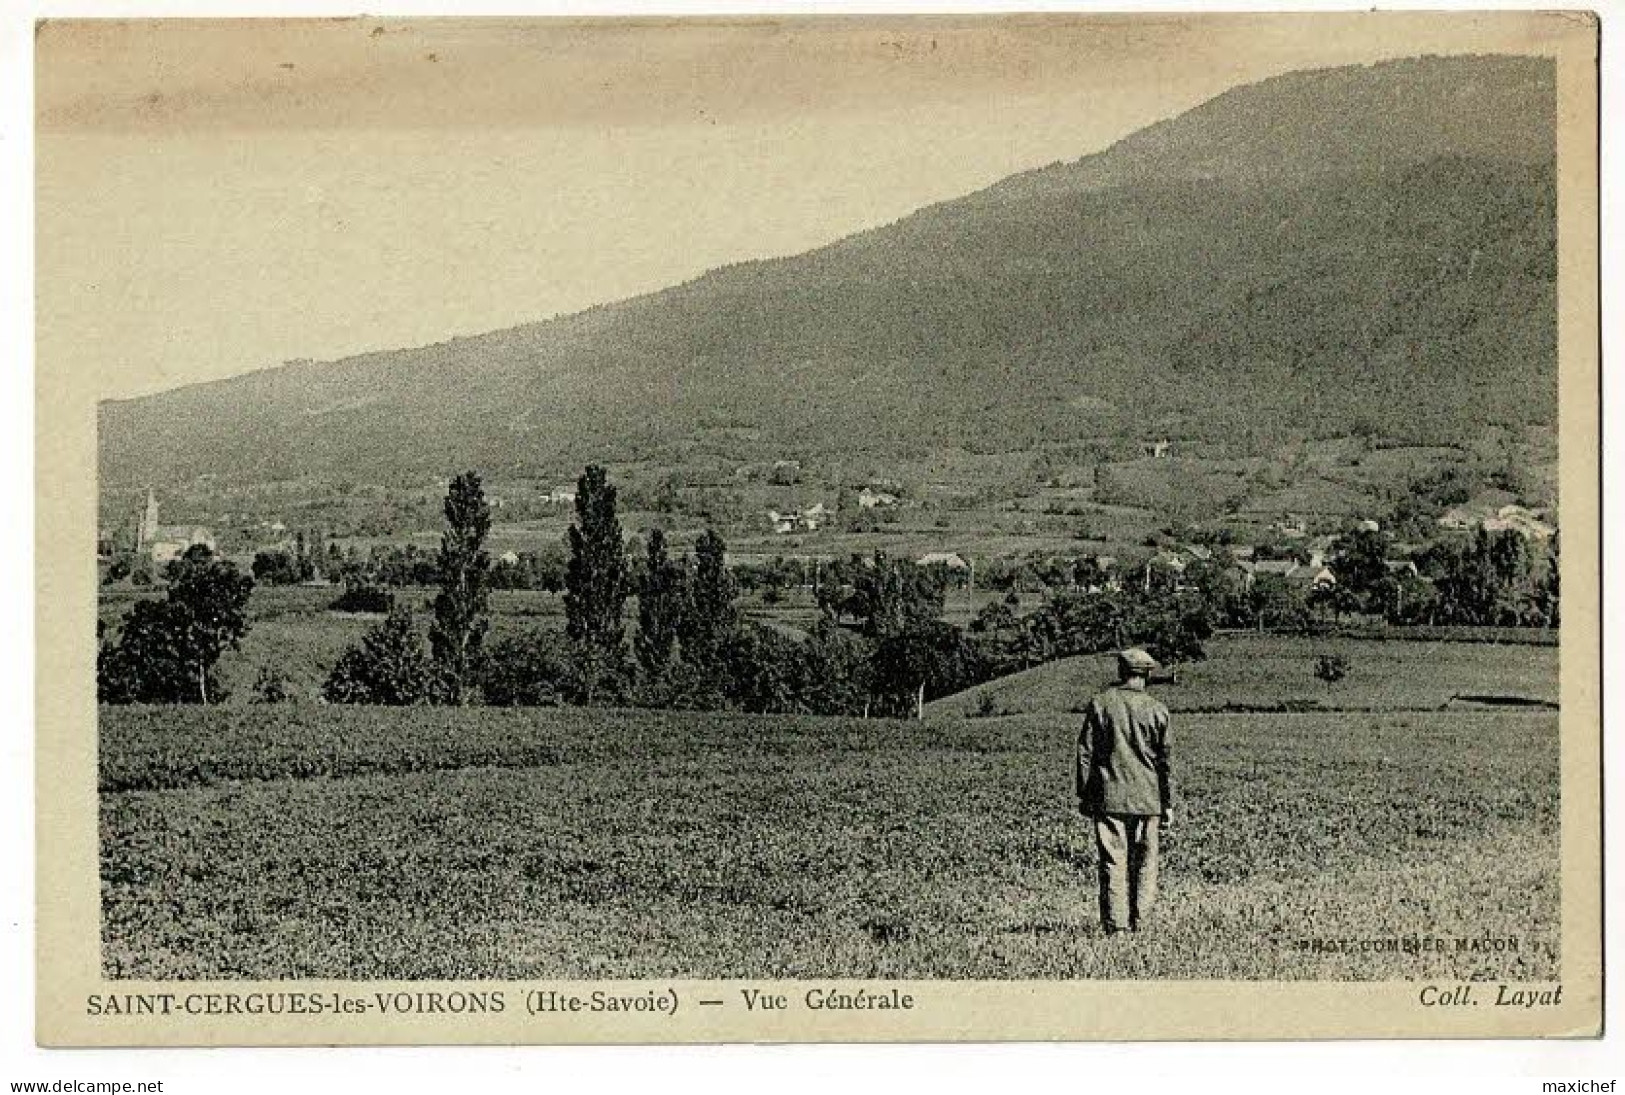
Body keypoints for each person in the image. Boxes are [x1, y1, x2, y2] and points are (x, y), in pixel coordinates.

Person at [1076, 647, 1173, 934]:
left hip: (1109, 796)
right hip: (1148, 798)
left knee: (1113, 862)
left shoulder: (1100, 704)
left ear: (1121, 671)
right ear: (1148, 674)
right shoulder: (1158, 710)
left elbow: (1085, 752)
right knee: (1145, 864)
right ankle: (1141, 923)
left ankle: (1116, 926)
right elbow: (1165, 763)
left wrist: (1085, 794)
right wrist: (1167, 803)